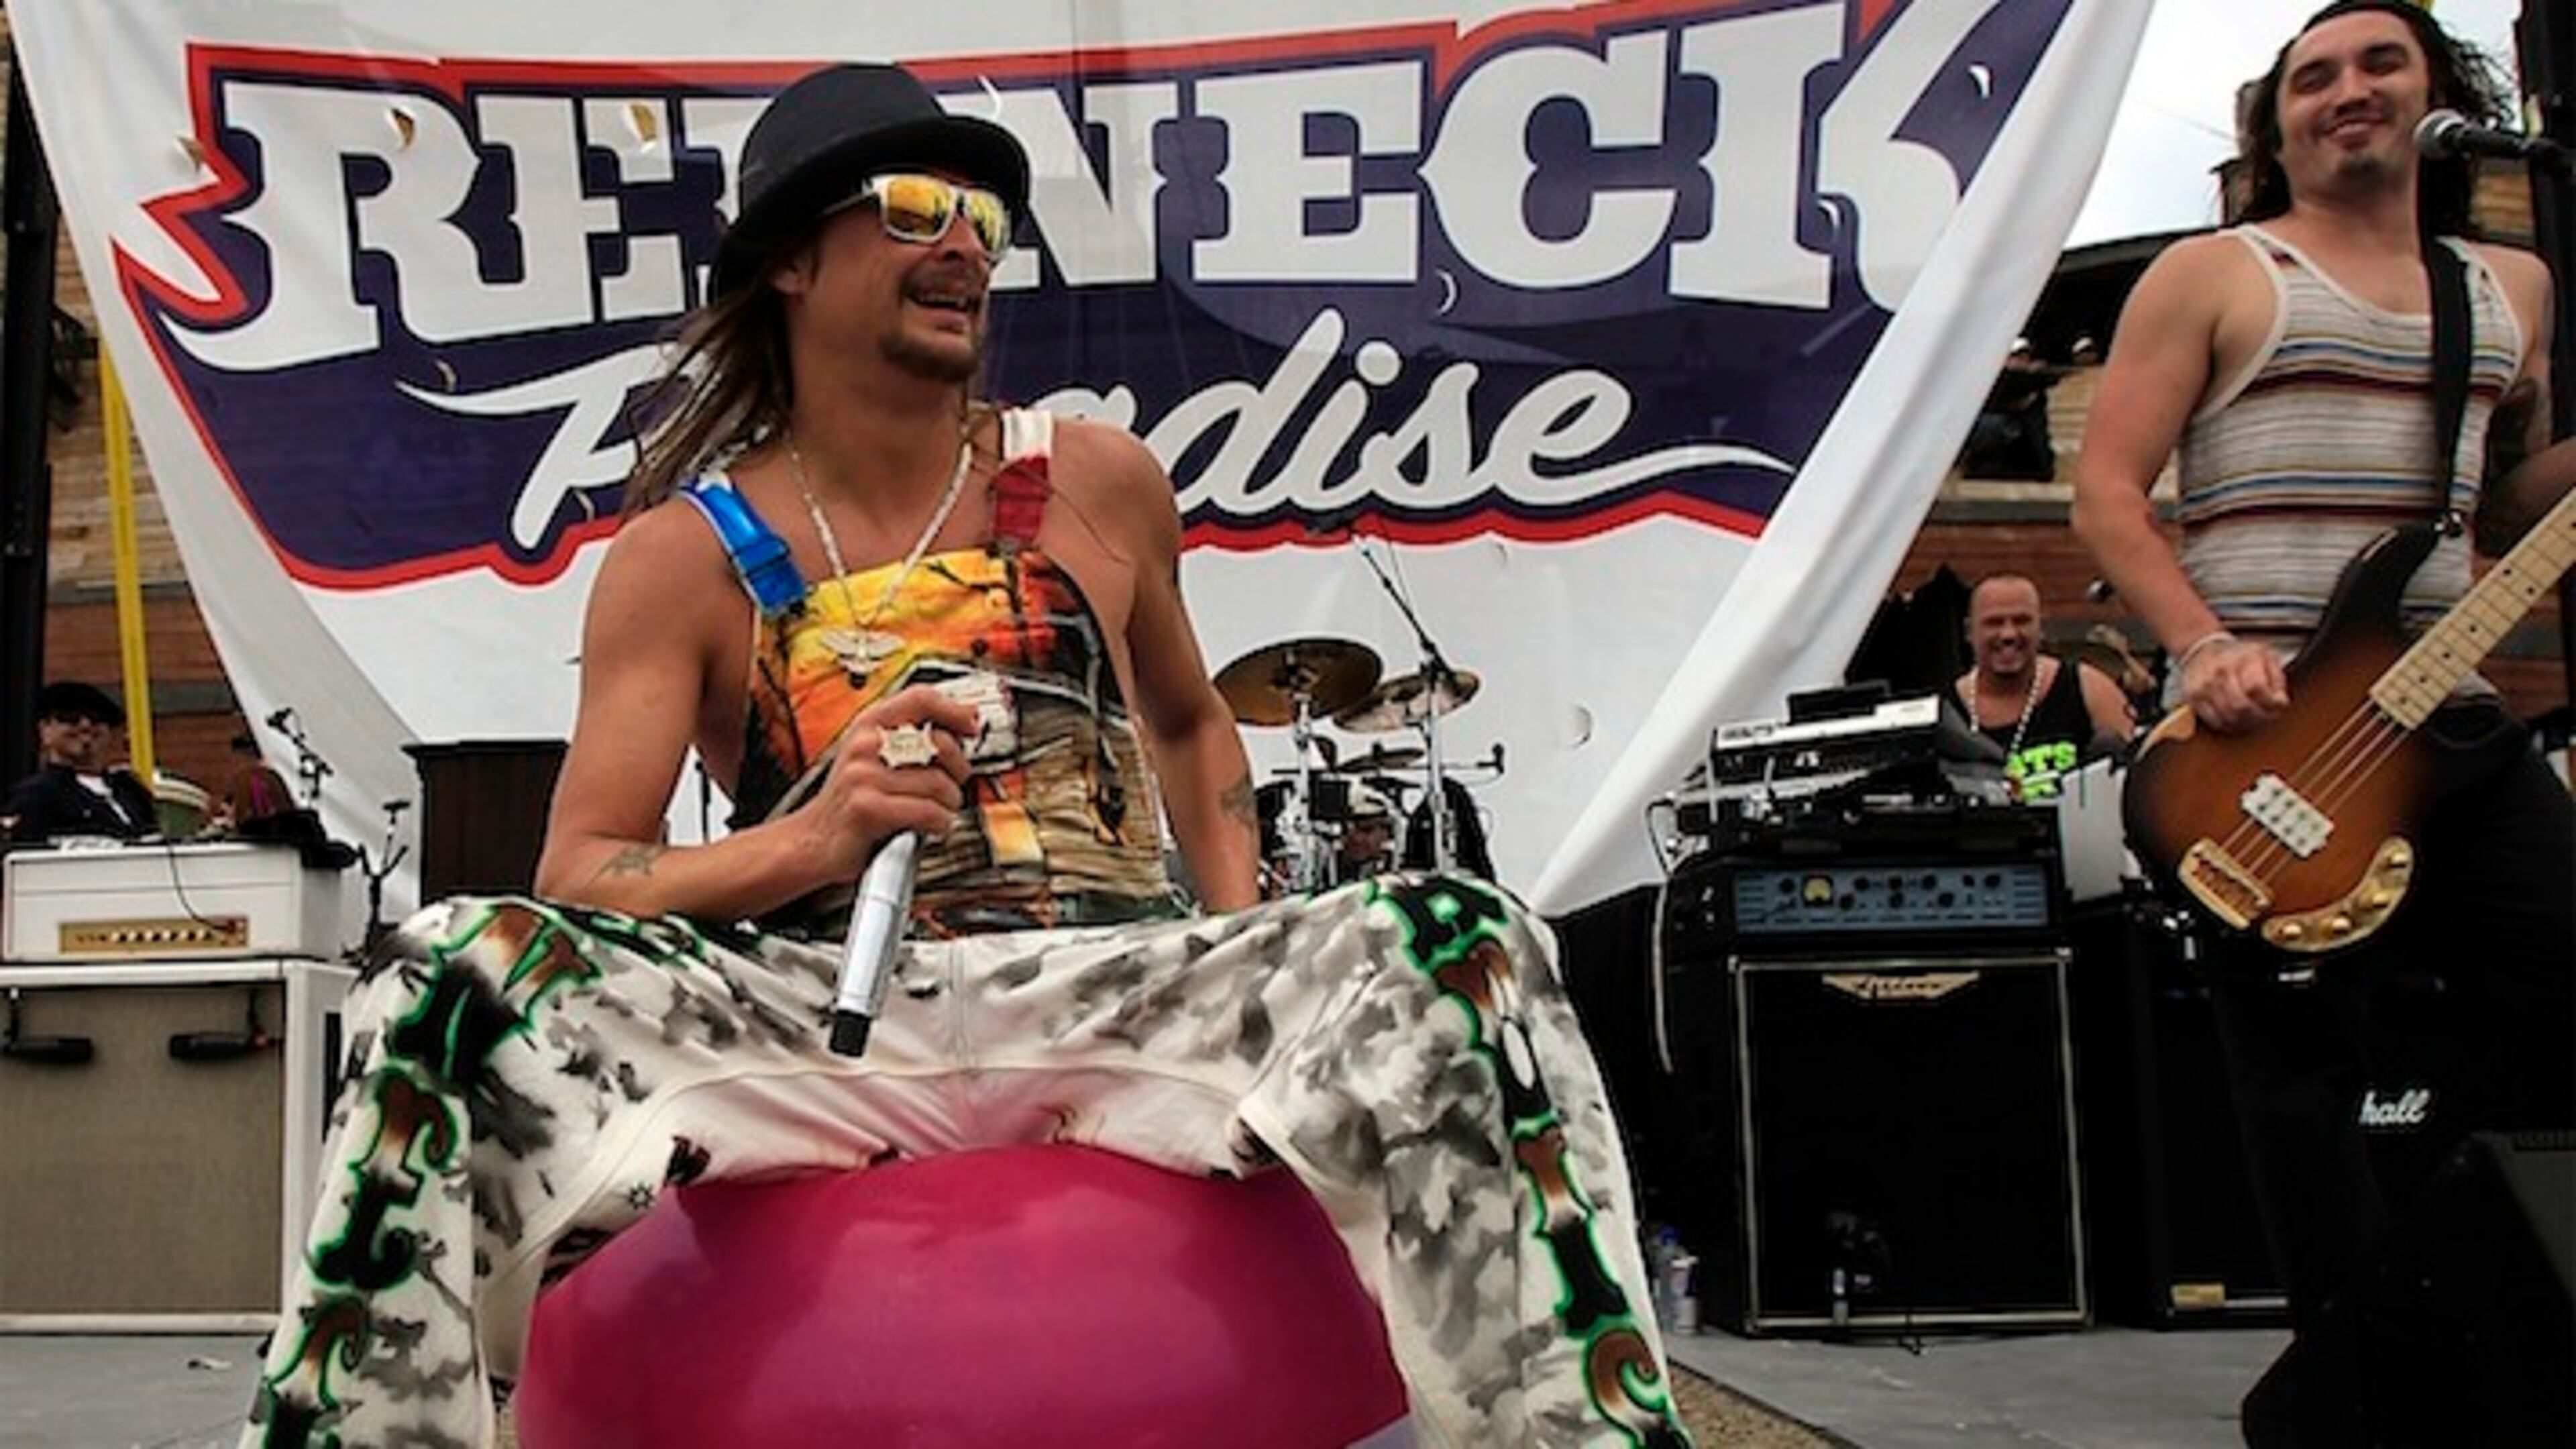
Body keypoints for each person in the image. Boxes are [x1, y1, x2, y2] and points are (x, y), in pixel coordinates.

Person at [244, 62, 1690, 1449]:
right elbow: (584, 870)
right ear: (793, 263)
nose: (967, 252)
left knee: (1466, 941)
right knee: (441, 979)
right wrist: (812, 840)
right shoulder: (683, 558)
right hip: (814, 1020)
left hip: (1100, 982)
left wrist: (1242, 937)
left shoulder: (1099, 479)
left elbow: (1188, 719)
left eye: (983, 223)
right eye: (916, 211)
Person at [2072, 0, 2574, 1358]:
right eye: (2315, 76)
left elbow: (2503, 506)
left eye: (2379, 64)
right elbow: (2109, 494)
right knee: (2302, 1089)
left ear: (2437, 96)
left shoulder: (2507, 290)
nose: (2347, 92)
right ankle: (2353, 1384)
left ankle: (2508, 1323)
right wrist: (2202, 643)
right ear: (2277, 119)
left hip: (2456, 726)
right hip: (2273, 739)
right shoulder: (2217, 273)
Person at [1950, 573, 2135, 800]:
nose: (2008, 634)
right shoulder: (1945, 708)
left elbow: (2135, 780)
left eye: (2022, 621)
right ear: (1969, 631)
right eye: (1994, 622)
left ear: (2041, 627)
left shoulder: (2089, 689)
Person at [3, 680, 158, 843]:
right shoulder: (36, 795)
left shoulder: (131, 790)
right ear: (45, 730)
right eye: (70, 717)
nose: (86, 726)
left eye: (97, 718)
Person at [1330, 781, 1399, 885]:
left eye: (1366, 830)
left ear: (1386, 834)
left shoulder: (1396, 870)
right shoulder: (1331, 869)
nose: (1356, 838)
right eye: (1345, 831)